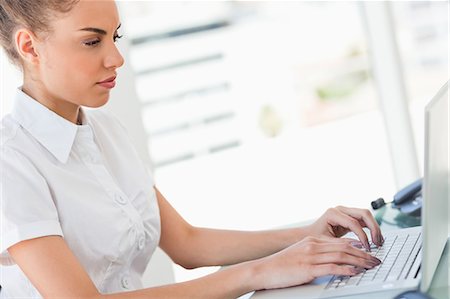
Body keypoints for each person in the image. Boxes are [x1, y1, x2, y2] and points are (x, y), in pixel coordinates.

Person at [0, 0, 384, 298]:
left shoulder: (106, 131)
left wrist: (305, 236)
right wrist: (262, 271)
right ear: (30, 46)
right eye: (91, 41)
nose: (116, 58)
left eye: (114, 37)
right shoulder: (10, 160)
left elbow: (186, 243)